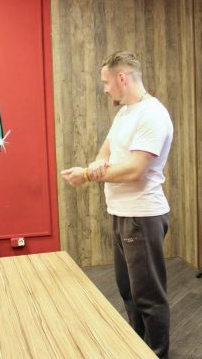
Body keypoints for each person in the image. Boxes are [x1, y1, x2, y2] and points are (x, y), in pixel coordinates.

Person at [61, 51, 174, 359]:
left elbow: (135, 170)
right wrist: (97, 164)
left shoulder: (152, 114)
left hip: (142, 216)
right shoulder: (123, 114)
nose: (105, 89)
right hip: (120, 213)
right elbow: (106, 152)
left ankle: (157, 353)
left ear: (122, 78)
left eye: (106, 82)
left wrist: (88, 174)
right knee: (128, 291)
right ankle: (137, 348)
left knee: (148, 296)